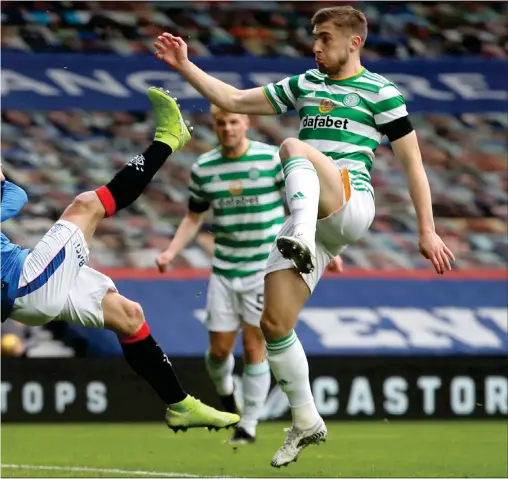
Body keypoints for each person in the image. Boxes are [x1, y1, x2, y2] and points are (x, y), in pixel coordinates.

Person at [153, 4, 457, 467]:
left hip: (350, 202)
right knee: (275, 325)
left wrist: (428, 230)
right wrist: (185, 66)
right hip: (316, 228)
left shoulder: (382, 92)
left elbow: (413, 163)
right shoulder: (305, 85)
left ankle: (296, 229)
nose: (316, 47)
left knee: (292, 146)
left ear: (354, 42)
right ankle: (306, 418)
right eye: (315, 38)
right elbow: (233, 100)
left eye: (326, 38)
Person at [0, 87, 240, 433]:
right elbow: (15, 199)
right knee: (86, 205)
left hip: (27, 279)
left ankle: (180, 405)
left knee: (129, 316)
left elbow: (18, 195)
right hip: (26, 284)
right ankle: (168, 140)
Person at [156, 105, 285, 444]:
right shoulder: (204, 168)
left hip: (263, 268)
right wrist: (172, 250)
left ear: (246, 123)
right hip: (225, 271)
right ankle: (228, 396)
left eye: (233, 122)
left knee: (255, 345)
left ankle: (249, 426)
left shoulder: (271, 159)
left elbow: (301, 203)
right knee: (218, 353)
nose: (227, 128)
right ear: (214, 126)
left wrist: (323, 245)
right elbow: (194, 217)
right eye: (221, 123)